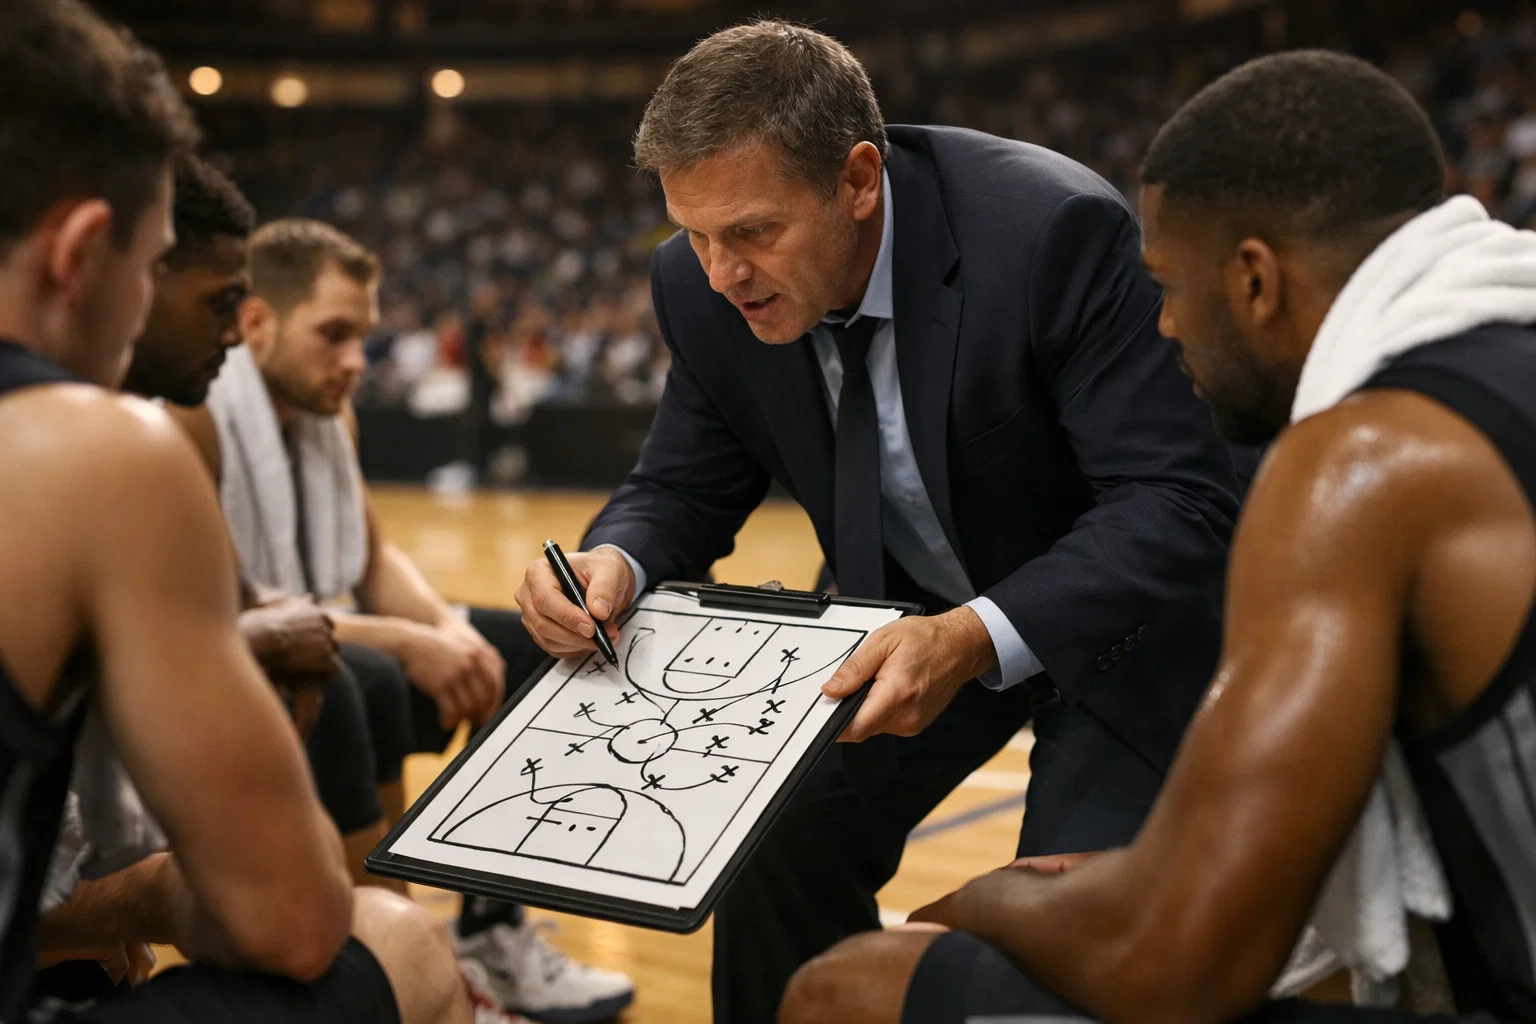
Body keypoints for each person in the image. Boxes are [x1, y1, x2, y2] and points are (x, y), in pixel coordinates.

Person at [780, 49, 1536, 1024]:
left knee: (847, 991)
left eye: (1170, 286)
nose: (1167, 327)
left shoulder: (1359, 464)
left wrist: (991, 902)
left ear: (1256, 280)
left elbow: (1173, 961)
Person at [515, 20, 1244, 1023]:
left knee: (1063, 939)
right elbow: (682, 484)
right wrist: (613, 558)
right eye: (695, 232)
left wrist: (971, 635)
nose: (722, 271)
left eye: (753, 232)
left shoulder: (1050, 231)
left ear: (859, 179)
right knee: (769, 833)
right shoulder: (697, 287)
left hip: (1117, 626)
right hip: (902, 615)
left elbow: (1175, 500)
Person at [0, 1, 475, 1021]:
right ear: (81, 251)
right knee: (394, 941)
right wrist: (165, 890)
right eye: (153, 260)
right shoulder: (97, 448)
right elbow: (287, 919)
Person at [168, 217, 635, 1023]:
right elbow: (221, 612)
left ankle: (492, 933)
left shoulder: (332, 413)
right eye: (334, 335)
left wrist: (446, 631)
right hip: (236, 669)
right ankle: (411, 966)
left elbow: (374, 561)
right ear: (257, 324)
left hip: (328, 630)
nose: (357, 360)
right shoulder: (197, 414)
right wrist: (412, 641)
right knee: (376, 677)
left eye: (364, 337)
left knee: (538, 652)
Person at [116, 153, 396, 888]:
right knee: (350, 677)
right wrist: (154, 902)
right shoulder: (163, 424)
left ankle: (419, 943)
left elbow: (224, 598)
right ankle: (391, 954)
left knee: (362, 671)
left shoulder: (317, 416)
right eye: (220, 306)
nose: (233, 336)